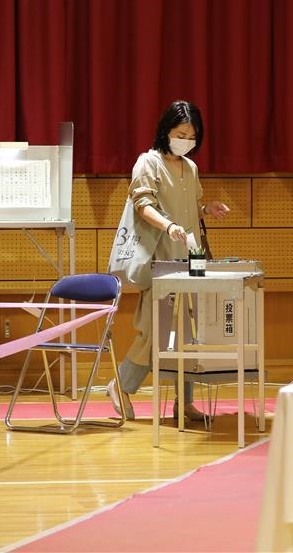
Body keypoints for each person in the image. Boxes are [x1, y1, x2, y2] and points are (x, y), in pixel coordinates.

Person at [108, 100, 230, 420]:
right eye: (180, 134)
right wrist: (169, 226)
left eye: (191, 136)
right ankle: (120, 385)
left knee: (188, 332)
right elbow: (143, 205)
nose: (185, 141)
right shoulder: (148, 162)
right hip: (160, 259)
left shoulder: (190, 167)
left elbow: (189, 208)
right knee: (154, 330)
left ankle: (184, 401)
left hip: (190, 259)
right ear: (166, 131)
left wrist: (206, 209)